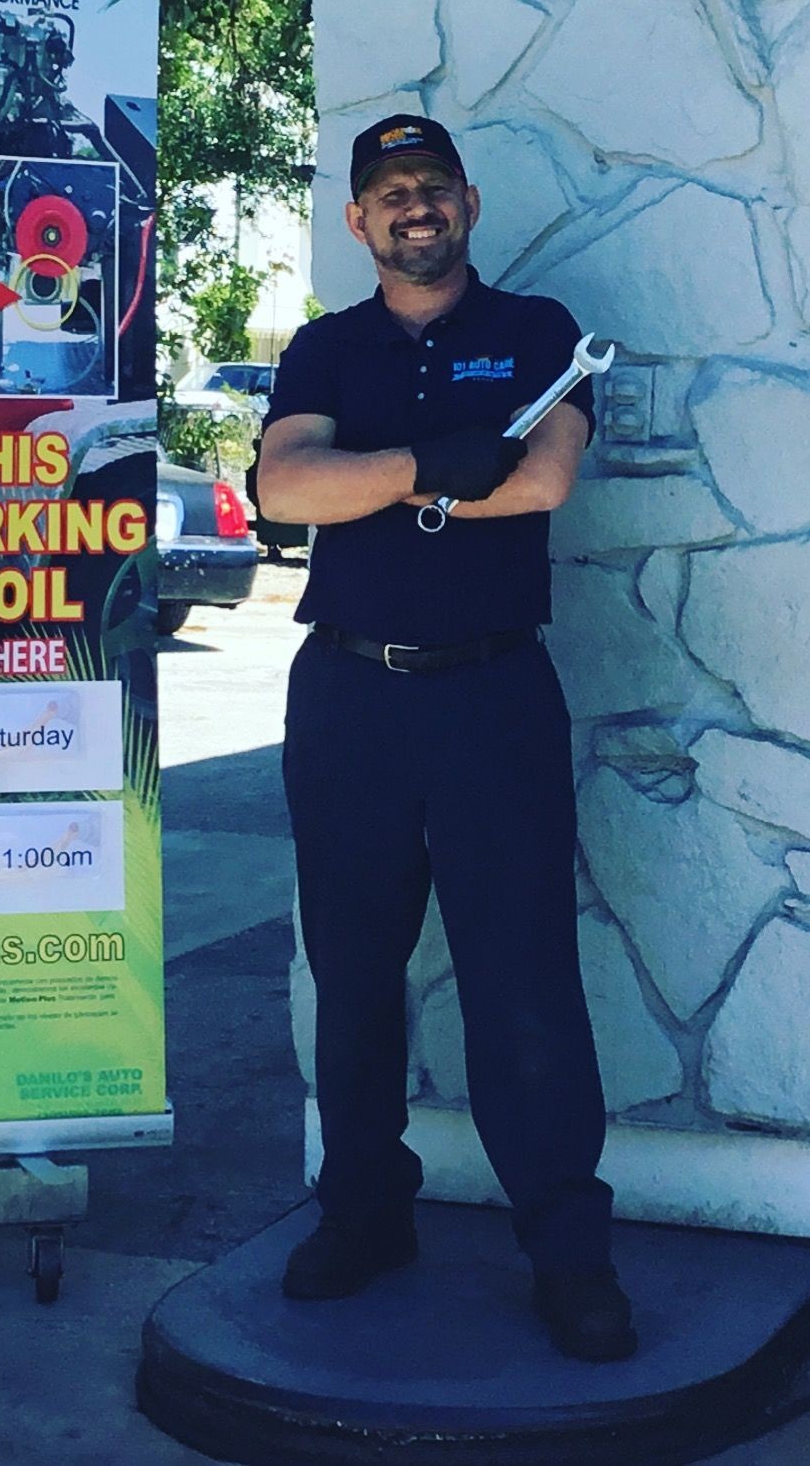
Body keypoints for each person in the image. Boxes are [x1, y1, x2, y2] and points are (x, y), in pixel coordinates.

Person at [255, 115, 634, 1362]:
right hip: (352, 699)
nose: (413, 206)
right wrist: (434, 463)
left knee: (523, 981)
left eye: (431, 186)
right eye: (387, 192)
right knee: (353, 974)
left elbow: (541, 480)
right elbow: (285, 489)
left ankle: (569, 1256)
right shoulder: (324, 347)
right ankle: (365, 1216)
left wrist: (381, 471)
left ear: (467, 202)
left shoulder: (536, 334)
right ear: (358, 221)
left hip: (493, 700)